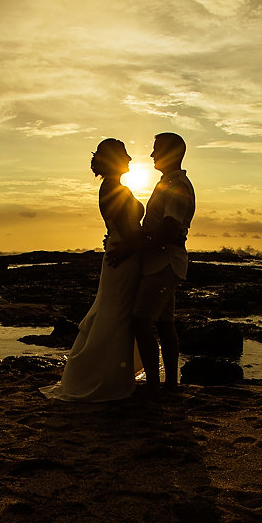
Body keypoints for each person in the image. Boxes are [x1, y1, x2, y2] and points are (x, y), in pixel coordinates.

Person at [41, 139, 144, 402]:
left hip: (120, 254)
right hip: (124, 258)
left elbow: (121, 229)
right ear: (113, 160)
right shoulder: (115, 190)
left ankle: (111, 373)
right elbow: (131, 234)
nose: (130, 158)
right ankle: (106, 376)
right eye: (124, 154)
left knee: (113, 312)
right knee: (117, 315)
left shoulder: (112, 188)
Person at [107, 132, 194, 391]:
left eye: (157, 150)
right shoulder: (168, 182)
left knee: (141, 320)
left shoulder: (178, 185)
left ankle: (156, 384)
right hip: (160, 261)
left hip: (164, 262)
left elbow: (169, 230)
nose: (152, 155)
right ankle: (169, 384)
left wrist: (130, 247)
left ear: (173, 154)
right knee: (164, 322)